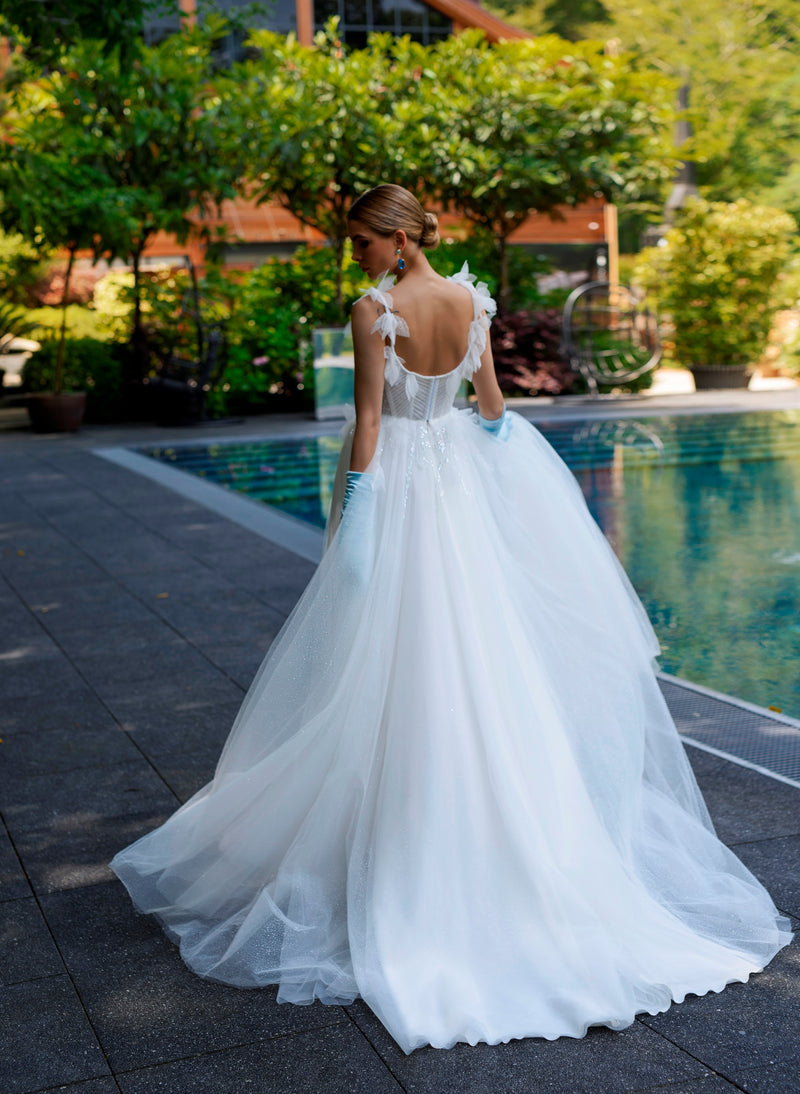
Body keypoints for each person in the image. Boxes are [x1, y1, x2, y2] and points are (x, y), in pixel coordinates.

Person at [111, 184, 791, 1055]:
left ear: (397, 239)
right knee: (485, 661)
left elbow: (366, 425)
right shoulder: (472, 299)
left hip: (399, 496)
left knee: (395, 667)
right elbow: (496, 412)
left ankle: (408, 847)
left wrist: (347, 515)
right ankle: (511, 841)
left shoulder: (375, 312)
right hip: (462, 497)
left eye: (361, 239)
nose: (352, 253)